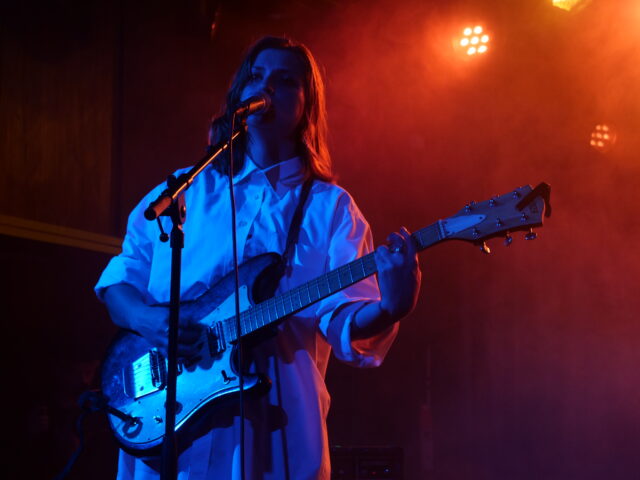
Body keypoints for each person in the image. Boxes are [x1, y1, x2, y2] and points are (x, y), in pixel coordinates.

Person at [96, 36, 421, 480]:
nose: (266, 87)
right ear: (238, 94)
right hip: (167, 423)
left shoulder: (331, 209)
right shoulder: (185, 191)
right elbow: (120, 281)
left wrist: (391, 307)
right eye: (256, 76)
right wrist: (152, 322)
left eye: (285, 81)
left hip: (273, 431)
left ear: (306, 106)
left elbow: (346, 321)